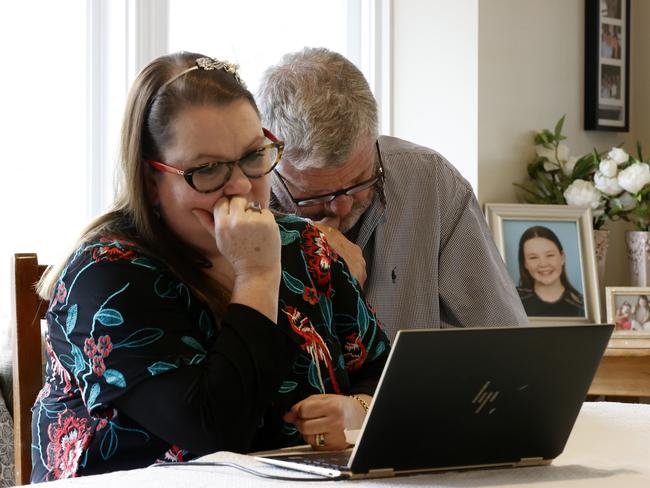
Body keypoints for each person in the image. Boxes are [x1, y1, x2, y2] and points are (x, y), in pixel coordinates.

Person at [31, 51, 389, 482]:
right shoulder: (105, 276)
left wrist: (359, 411)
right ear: (151, 181)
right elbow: (215, 430)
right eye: (207, 169)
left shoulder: (303, 244)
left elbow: (384, 373)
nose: (240, 186)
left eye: (254, 156)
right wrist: (256, 277)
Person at [256, 47, 527, 341]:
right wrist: (302, 247)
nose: (341, 207)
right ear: (272, 163)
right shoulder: (241, 202)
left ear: (373, 139)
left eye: (360, 181)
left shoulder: (430, 182)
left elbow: (503, 339)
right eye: (316, 196)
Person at [516, 226, 584, 317]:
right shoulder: (512, 301)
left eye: (550, 255)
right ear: (525, 263)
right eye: (533, 257)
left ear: (562, 257)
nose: (543, 264)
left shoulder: (582, 306)